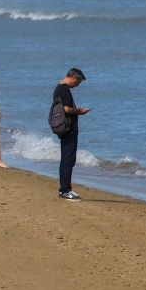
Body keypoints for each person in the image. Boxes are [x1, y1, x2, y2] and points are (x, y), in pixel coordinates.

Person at [54, 67, 90, 200]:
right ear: (74, 78)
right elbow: (66, 109)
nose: (78, 85)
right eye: (78, 82)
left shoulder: (60, 88)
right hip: (68, 129)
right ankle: (65, 190)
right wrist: (79, 111)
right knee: (68, 159)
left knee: (66, 159)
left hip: (65, 128)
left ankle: (64, 189)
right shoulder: (63, 89)